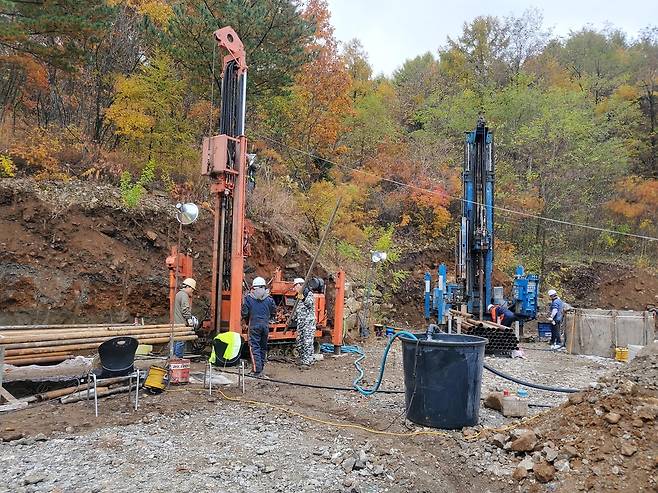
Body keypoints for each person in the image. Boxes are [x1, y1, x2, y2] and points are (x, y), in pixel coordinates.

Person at [241, 276, 276, 378]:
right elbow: (274, 311)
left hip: (254, 325)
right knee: (262, 347)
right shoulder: (269, 299)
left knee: (254, 347)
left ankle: (256, 371)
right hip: (265, 326)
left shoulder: (248, 298)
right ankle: (260, 369)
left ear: (254, 287)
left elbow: (245, 313)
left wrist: (246, 322)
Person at [293, 277, 316, 369]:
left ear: (299, 285)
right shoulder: (298, 296)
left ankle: (307, 361)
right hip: (301, 323)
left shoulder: (308, 294)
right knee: (300, 342)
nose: (294, 288)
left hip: (308, 323)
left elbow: (309, 304)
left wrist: (302, 297)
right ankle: (303, 359)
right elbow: (297, 309)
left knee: (307, 342)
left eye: (295, 286)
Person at [173, 278, 198, 357]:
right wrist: (189, 319)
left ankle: (173, 359)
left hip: (176, 323)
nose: (192, 291)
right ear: (188, 287)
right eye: (192, 289)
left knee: (176, 341)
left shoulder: (178, 294)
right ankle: (178, 360)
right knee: (181, 341)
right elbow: (185, 309)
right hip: (181, 324)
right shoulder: (184, 295)